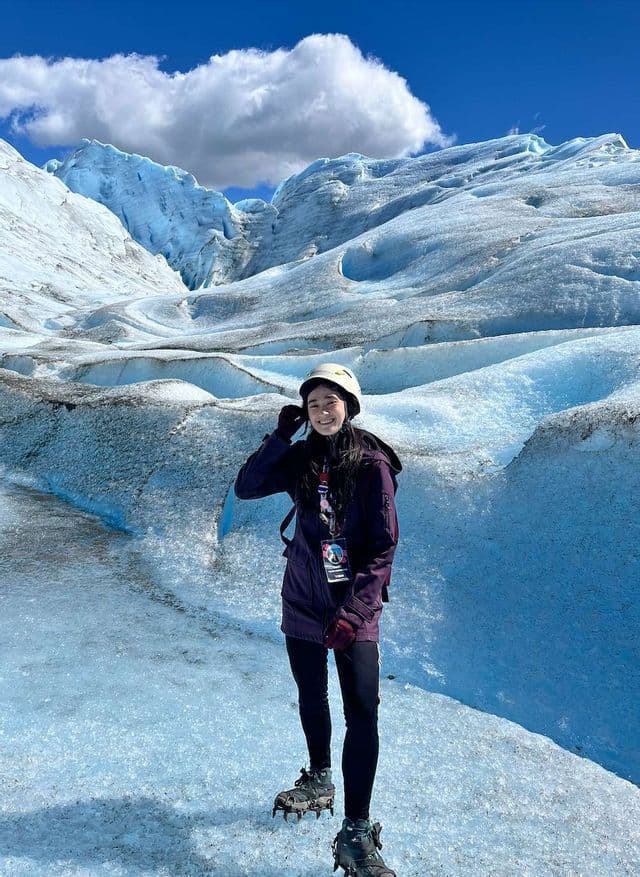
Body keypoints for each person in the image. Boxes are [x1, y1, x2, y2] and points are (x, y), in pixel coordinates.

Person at [234, 364, 401, 877]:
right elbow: (247, 486)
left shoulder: (371, 464)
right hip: (304, 597)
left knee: (363, 713)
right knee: (311, 695)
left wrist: (355, 612)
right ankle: (320, 776)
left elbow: (382, 548)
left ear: (349, 405)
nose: (323, 411)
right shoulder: (301, 457)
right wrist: (279, 437)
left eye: (332, 402)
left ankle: (356, 830)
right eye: (313, 405)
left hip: (354, 606)